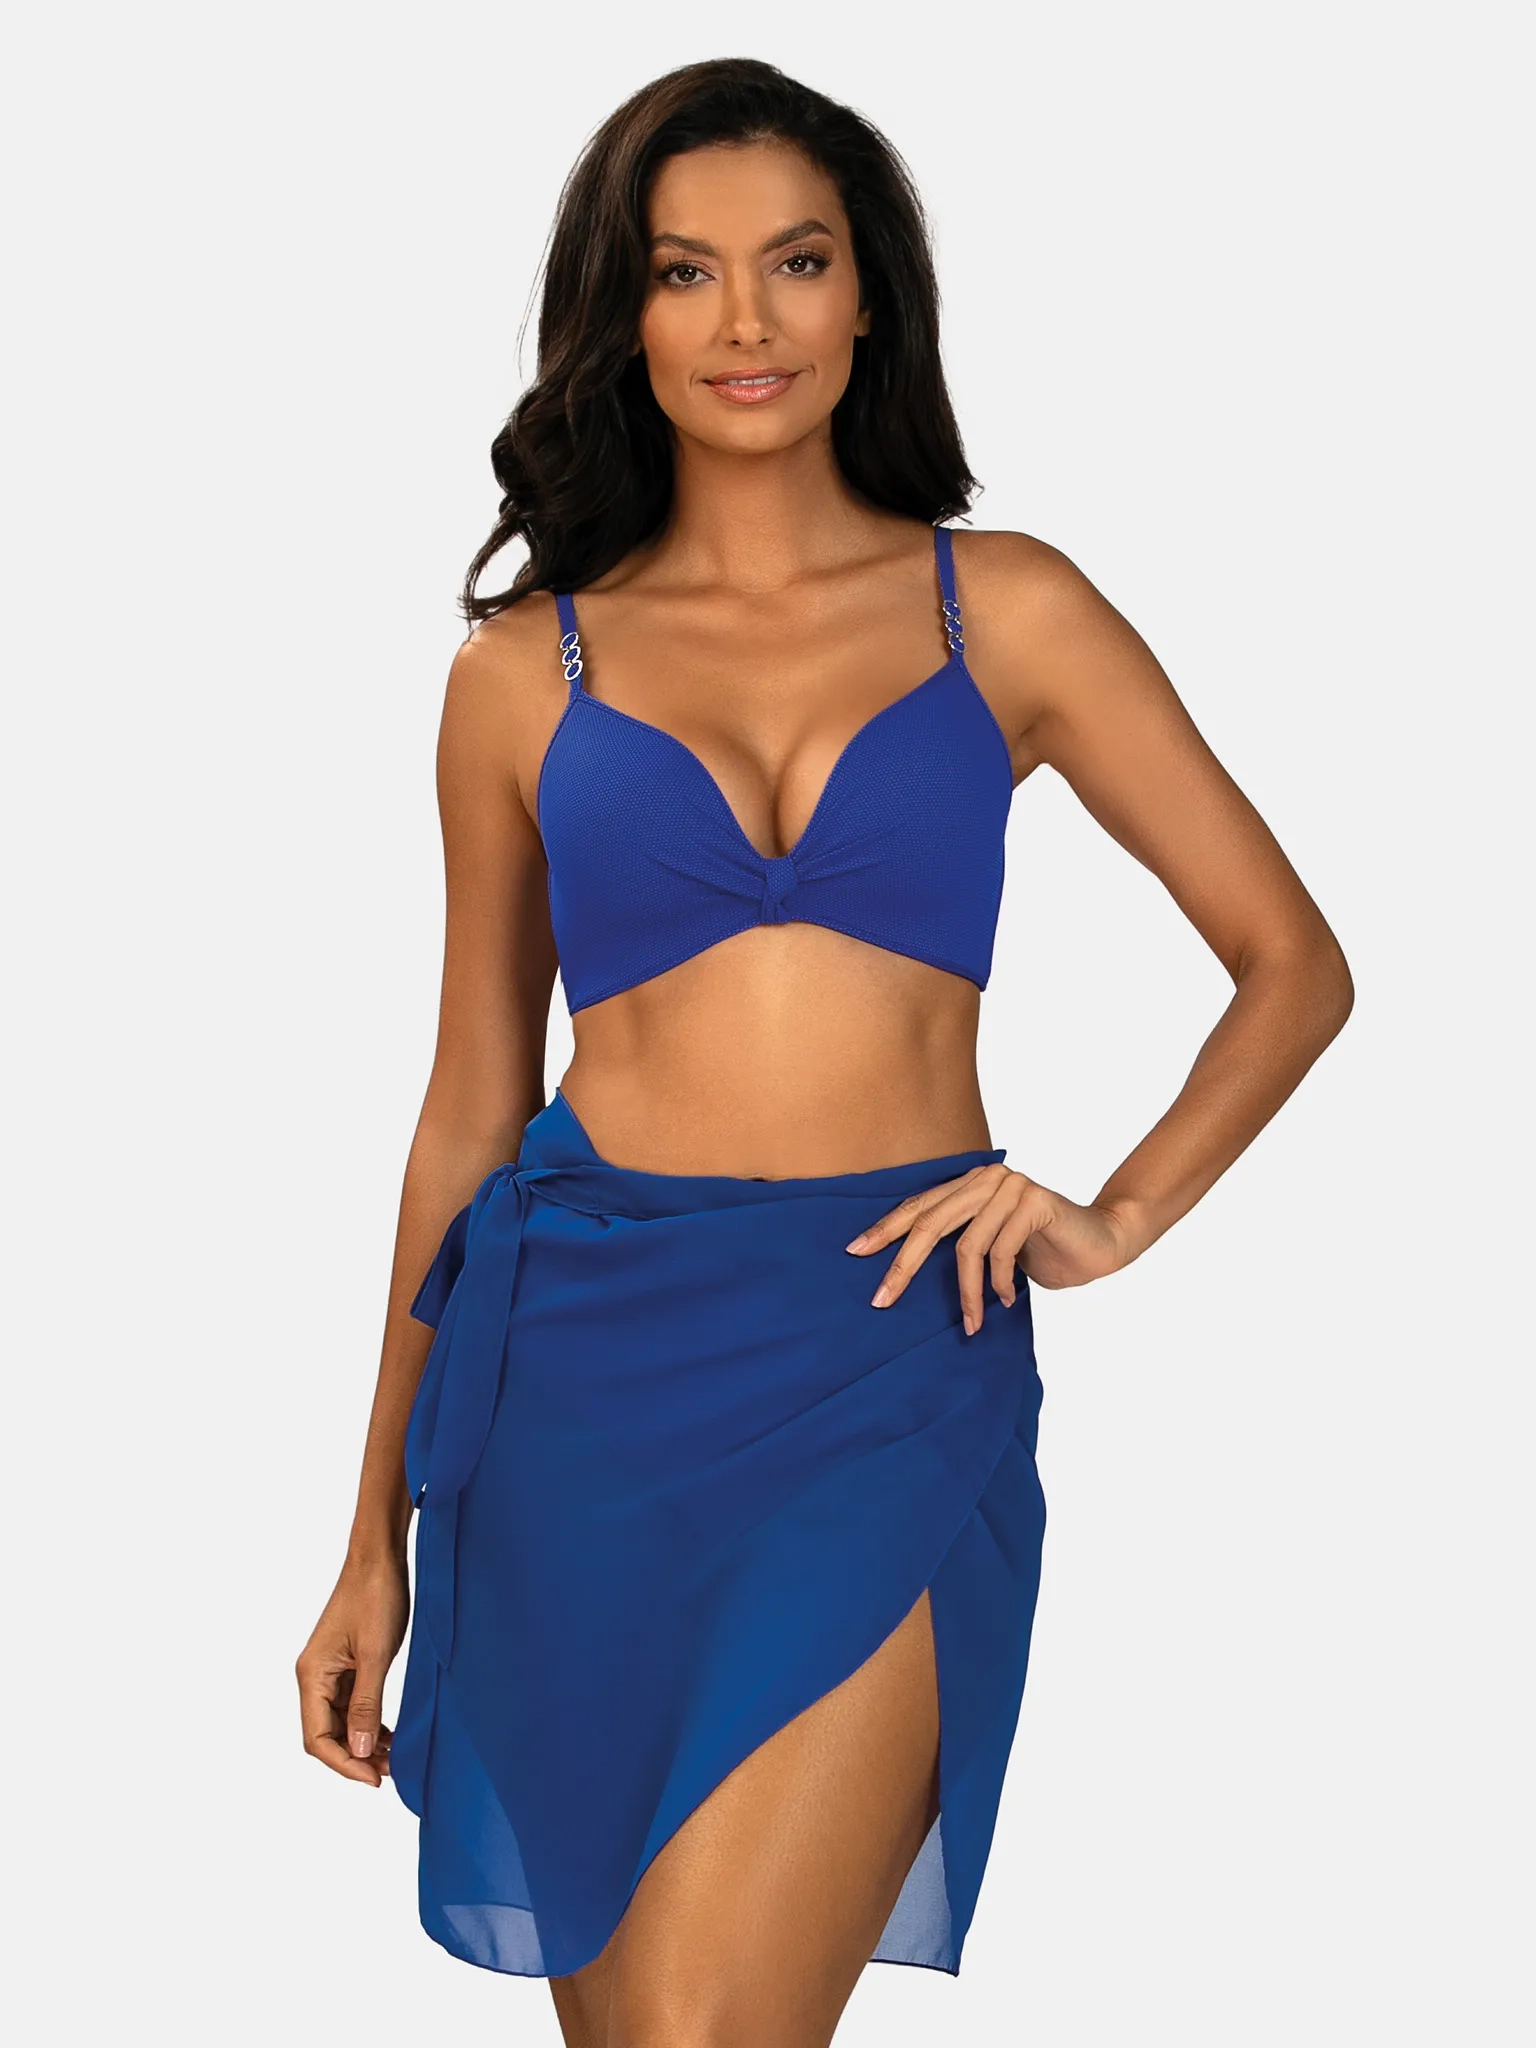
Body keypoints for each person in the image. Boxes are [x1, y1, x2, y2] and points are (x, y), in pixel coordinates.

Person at [295, 56, 1353, 2048]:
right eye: (684, 271)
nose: (746, 320)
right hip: (575, 1384)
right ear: (624, 314)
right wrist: (372, 1536)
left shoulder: (1002, 610)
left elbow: (1291, 962)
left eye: (795, 261)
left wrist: (1115, 1216)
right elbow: (467, 1107)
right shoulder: (522, 673)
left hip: (886, 1347)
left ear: (871, 296)